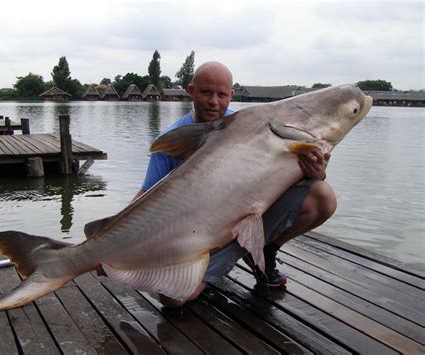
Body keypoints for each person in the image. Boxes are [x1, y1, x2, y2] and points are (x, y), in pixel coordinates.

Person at [134, 61, 336, 307]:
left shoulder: (251, 125)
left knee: (322, 197)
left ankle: (263, 251)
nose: (214, 101)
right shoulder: (173, 138)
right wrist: (115, 235)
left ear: (231, 95)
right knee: (173, 300)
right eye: (207, 93)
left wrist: (317, 173)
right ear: (191, 90)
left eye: (221, 95)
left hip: (249, 216)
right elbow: (146, 193)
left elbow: (284, 177)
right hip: (196, 233)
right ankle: (217, 262)